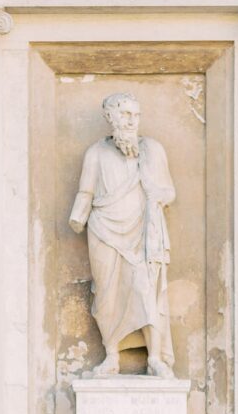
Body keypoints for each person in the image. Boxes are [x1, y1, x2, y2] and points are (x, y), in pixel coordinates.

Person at [69, 93, 176, 378]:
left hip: (141, 231)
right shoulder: (96, 153)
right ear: (111, 117)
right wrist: (78, 215)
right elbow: (86, 191)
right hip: (103, 229)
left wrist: (158, 196)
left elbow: (169, 191)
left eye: (135, 115)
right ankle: (112, 356)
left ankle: (155, 358)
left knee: (144, 289)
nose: (132, 121)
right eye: (126, 114)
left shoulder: (152, 150)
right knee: (106, 293)